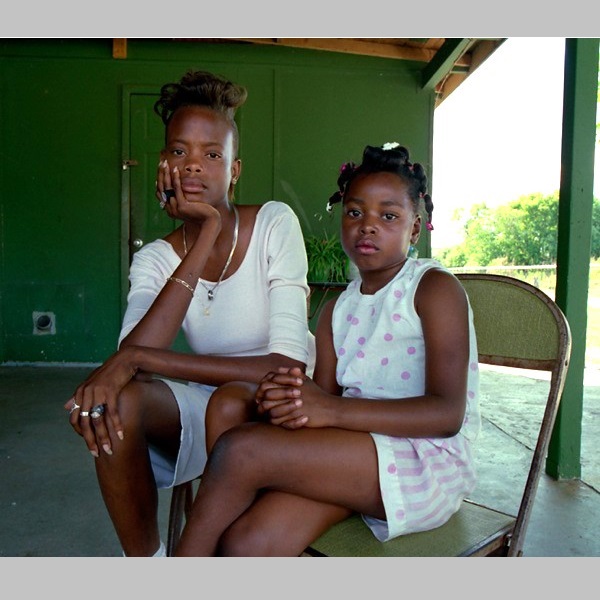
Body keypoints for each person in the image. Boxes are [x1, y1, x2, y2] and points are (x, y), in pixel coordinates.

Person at [173, 142, 481, 557]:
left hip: (422, 461)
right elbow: (322, 400)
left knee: (241, 449)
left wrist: (328, 411)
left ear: (414, 227)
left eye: (388, 216)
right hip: (352, 451)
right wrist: (287, 400)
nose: (367, 226)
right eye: (355, 212)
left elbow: (446, 416)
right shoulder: (337, 309)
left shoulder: (433, 289)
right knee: (247, 541)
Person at [64, 69, 315, 557]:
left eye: (212, 154)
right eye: (179, 152)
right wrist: (201, 237)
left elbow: (285, 367)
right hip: (211, 400)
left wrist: (134, 361)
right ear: (163, 164)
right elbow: (135, 360)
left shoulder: (273, 224)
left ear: (235, 169)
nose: (193, 166)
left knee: (163, 387)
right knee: (119, 403)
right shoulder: (155, 258)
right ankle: (148, 564)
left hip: (279, 400)